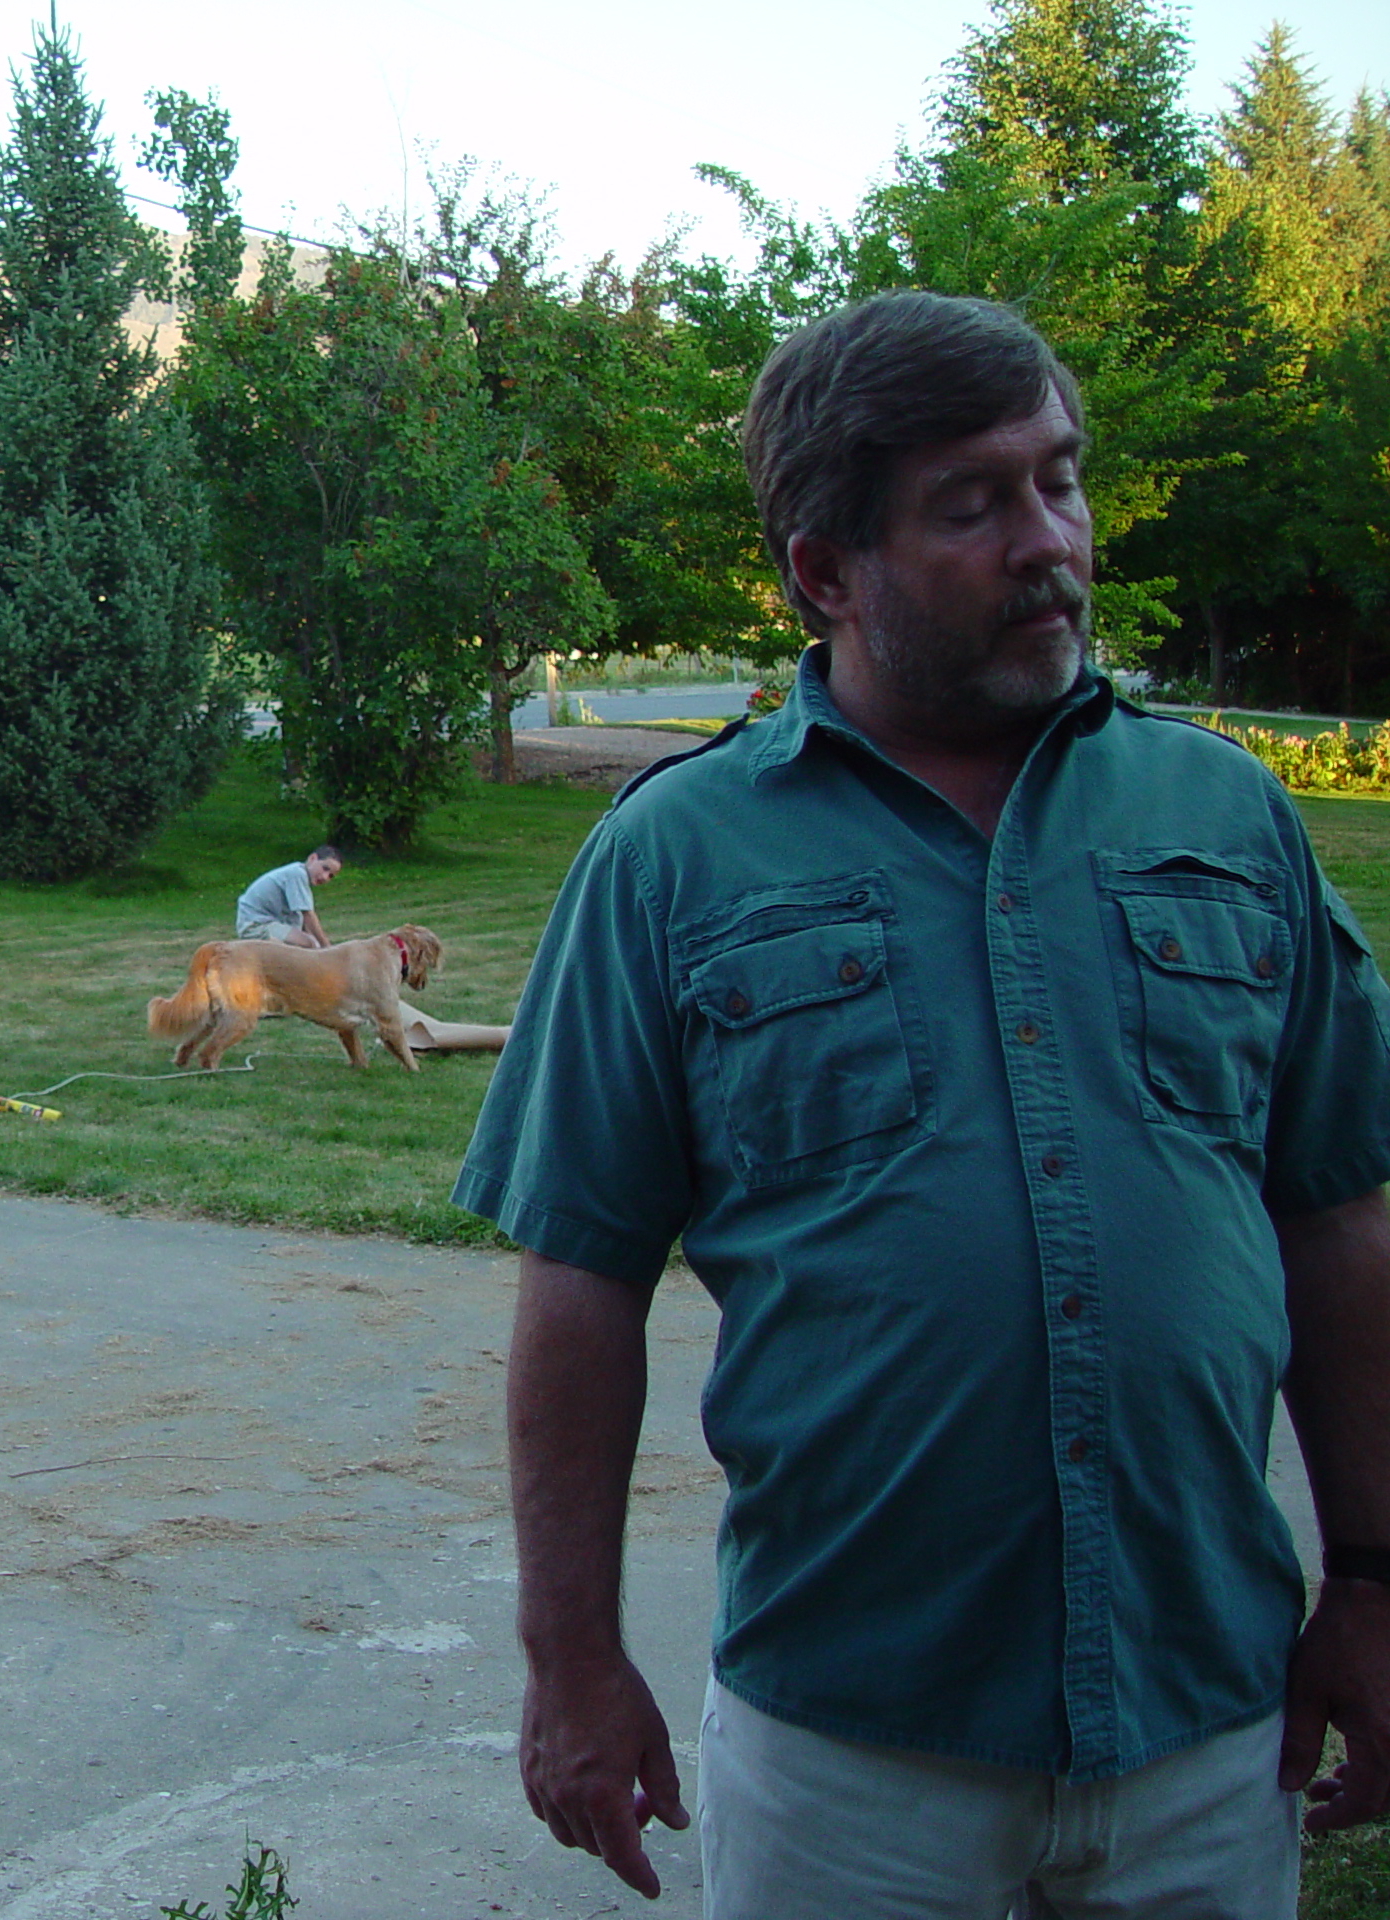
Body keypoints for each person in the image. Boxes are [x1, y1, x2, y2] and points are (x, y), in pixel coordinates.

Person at [452, 290, 1390, 1914]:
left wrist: (1376, 1582)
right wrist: (572, 1657)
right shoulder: (674, 861)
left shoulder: (1228, 816)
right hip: (851, 1756)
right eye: (974, 505)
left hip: (1203, 1724)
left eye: (1060, 479)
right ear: (826, 571)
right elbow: (582, 1284)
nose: (1052, 541)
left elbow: (1338, 1223)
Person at [234, 845, 341, 947]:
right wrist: (326, 947)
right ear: (312, 858)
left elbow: (302, 920)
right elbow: (308, 915)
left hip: (269, 923)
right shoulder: (297, 874)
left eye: (331, 876)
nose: (325, 877)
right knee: (308, 944)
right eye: (325, 868)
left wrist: (316, 941)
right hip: (255, 926)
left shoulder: (300, 877)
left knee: (311, 943)